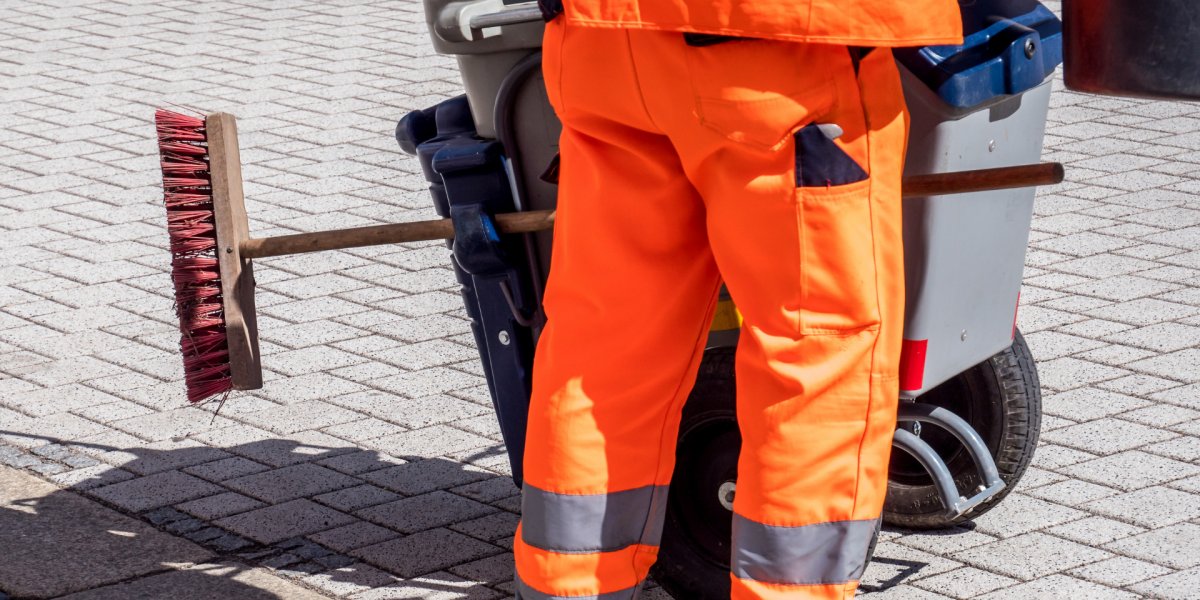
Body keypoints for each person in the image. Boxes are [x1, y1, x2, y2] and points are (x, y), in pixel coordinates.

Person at [515, 1, 963, 598]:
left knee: (604, 346)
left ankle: (566, 586)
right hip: (777, 51)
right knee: (815, 351)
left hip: (603, 46)